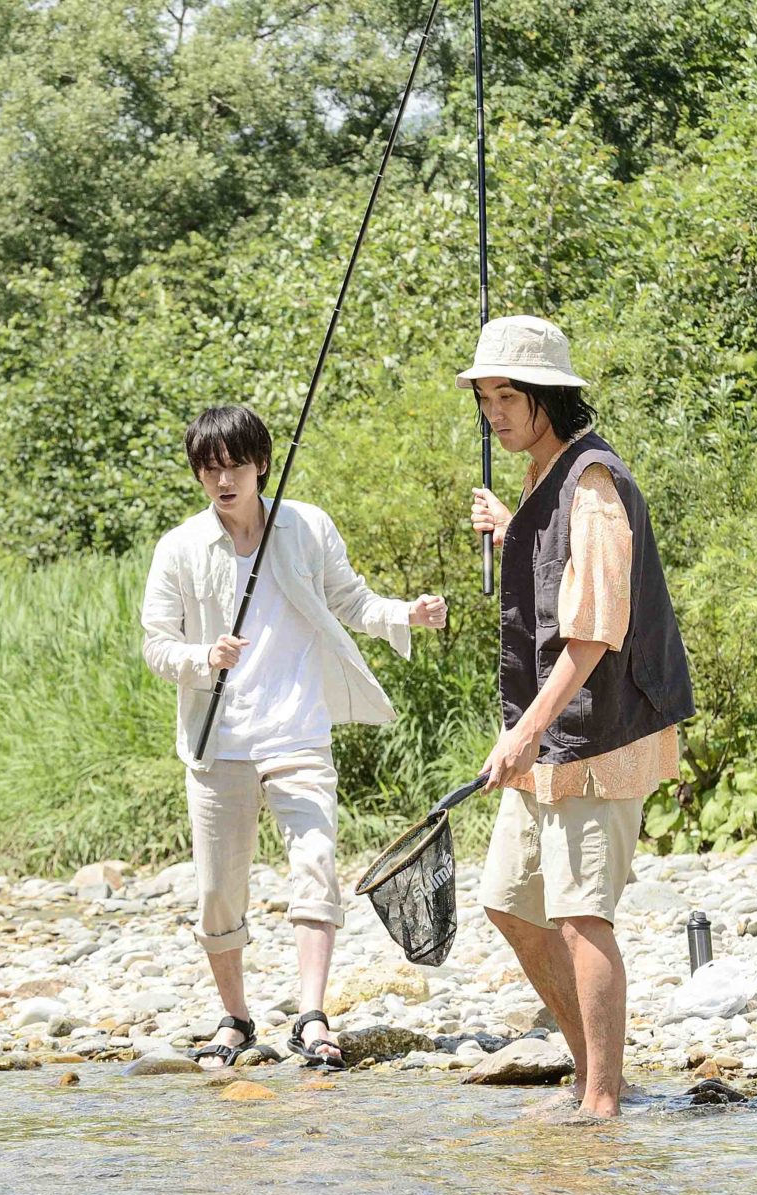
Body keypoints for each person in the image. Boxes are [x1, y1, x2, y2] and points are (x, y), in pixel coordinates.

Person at [142, 405, 447, 1071]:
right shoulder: (180, 549)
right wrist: (203, 658)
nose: (223, 479)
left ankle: (312, 1014)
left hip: (297, 731)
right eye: (209, 468)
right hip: (216, 740)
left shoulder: (305, 526)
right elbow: (156, 646)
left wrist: (408, 613)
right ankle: (236, 1017)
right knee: (219, 889)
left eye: (235, 466)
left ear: (260, 465)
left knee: (316, 862)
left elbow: (354, 602)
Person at [461, 316, 696, 1117]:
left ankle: (601, 1103)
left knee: (581, 915)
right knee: (508, 902)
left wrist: (523, 733)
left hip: (598, 734)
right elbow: (553, 558)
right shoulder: (545, 473)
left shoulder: (593, 486)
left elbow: (595, 632)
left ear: (549, 396)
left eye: (506, 395)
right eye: (485, 397)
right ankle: (595, 1072)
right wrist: (511, 525)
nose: (493, 412)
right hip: (551, 733)